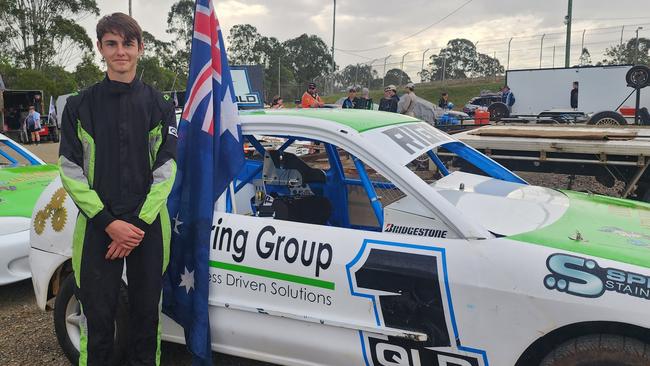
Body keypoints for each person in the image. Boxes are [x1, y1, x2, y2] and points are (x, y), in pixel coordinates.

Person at [58, 13, 177, 366]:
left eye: (127, 43)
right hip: (97, 227)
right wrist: (109, 222)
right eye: (111, 44)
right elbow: (69, 169)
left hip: (149, 226)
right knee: (96, 320)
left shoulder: (159, 105)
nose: (120, 51)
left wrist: (137, 226)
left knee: (146, 319)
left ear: (140, 48)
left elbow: (167, 168)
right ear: (100, 49)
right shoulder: (79, 106)